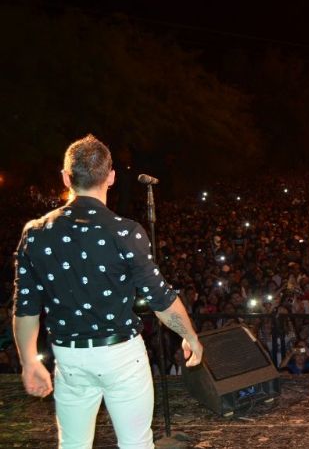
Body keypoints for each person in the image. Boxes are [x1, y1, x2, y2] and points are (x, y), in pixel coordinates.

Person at [12, 135, 203, 449]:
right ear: (111, 177)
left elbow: (25, 307)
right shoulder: (125, 232)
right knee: (136, 443)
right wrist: (191, 337)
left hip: (69, 357)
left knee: (73, 444)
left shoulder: (36, 233)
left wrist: (29, 362)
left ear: (66, 177)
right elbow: (161, 298)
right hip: (121, 356)